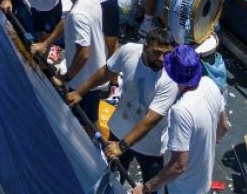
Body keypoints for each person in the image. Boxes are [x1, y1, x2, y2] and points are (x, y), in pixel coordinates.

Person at [67, 27, 178, 183]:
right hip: (119, 131)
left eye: (167, 54)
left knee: (152, 186)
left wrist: (122, 146)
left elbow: (151, 119)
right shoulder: (129, 52)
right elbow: (106, 73)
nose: (161, 59)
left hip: (149, 146)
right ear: (145, 47)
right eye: (157, 52)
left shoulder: (170, 79)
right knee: (112, 177)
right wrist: (80, 92)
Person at [134, 46, 227, 194]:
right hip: (204, 183)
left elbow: (178, 165)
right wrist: (206, 144)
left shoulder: (181, 110)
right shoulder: (211, 84)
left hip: (183, 188)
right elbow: (223, 126)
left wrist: (146, 188)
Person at [32, 0, 107, 124]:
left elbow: (83, 54)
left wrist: (65, 78)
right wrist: (47, 43)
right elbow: (66, 20)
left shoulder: (79, 14)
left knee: (84, 124)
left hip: (85, 82)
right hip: (92, 73)